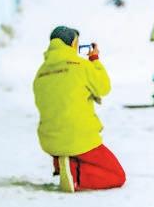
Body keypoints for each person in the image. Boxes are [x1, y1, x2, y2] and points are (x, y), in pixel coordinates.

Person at [33, 26, 125, 192]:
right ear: (73, 44)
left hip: (48, 139)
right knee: (117, 175)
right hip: (77, 138)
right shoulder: (80, 65)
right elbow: (103, 87)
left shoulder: (41, 72)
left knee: (75, 146)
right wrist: (95, 59)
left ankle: (63, 162)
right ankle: (74, 175)